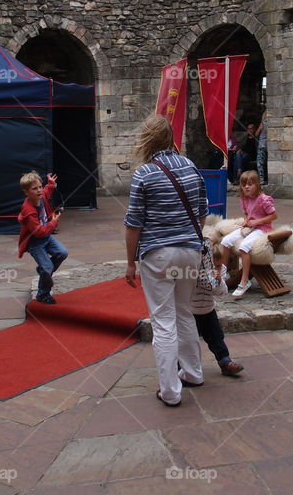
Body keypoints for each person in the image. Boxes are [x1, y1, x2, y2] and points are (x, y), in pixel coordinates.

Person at [124, 115, 207, 407]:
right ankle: (194, 372)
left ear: (147, 140)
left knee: (163, 321)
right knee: (184, 311)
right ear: (171, 136)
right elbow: (202, 211)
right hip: (190, 251)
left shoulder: (144, 174)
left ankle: (170, 390)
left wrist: (130, 262)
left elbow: (134, 223)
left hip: (158, 254)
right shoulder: (191, 166)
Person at [221, 169, 277, 298]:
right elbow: (246, 212)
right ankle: (224, 273)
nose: (246, 187)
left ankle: (244, 281)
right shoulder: (244, 199)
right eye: (244, 184)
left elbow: (274, 216)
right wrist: (246, 220)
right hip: (251, 227)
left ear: (257, 184)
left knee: (244, 247)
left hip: (263, 229)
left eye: (250, 184)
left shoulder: (264, 200)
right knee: (226, 241)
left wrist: (257, 221)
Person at [17, 171, 68, 304]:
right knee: (48, 268)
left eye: (40, 186)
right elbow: (39, 232)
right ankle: (43, 294)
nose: (39, 190)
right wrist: (54, 222)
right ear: (26, 192)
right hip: (35, 242)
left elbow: (47, 190)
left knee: (62, 253)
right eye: (35, 188)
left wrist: (51, 182)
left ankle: (43, 270)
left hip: (46, 237)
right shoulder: (28, 210)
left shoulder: (41, 196)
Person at [191, 249, 244, 377]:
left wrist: (219, 281)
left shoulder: (220, 271)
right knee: (189, 341)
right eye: (213, 266)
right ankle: (183, 367)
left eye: (219, 265)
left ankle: (225, 361)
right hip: (191, 311)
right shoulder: (196, 271)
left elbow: (221, 292)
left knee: (216, 337)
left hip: (208, 309)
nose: (216, 268)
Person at [255, 112, 268, 185]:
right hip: (268, 145)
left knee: (260, 163)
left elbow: (256, 134)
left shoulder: (263, 124)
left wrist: (260, 128)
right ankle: (266, 179)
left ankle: (262, 179)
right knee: (266, 163)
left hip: (262, 145)